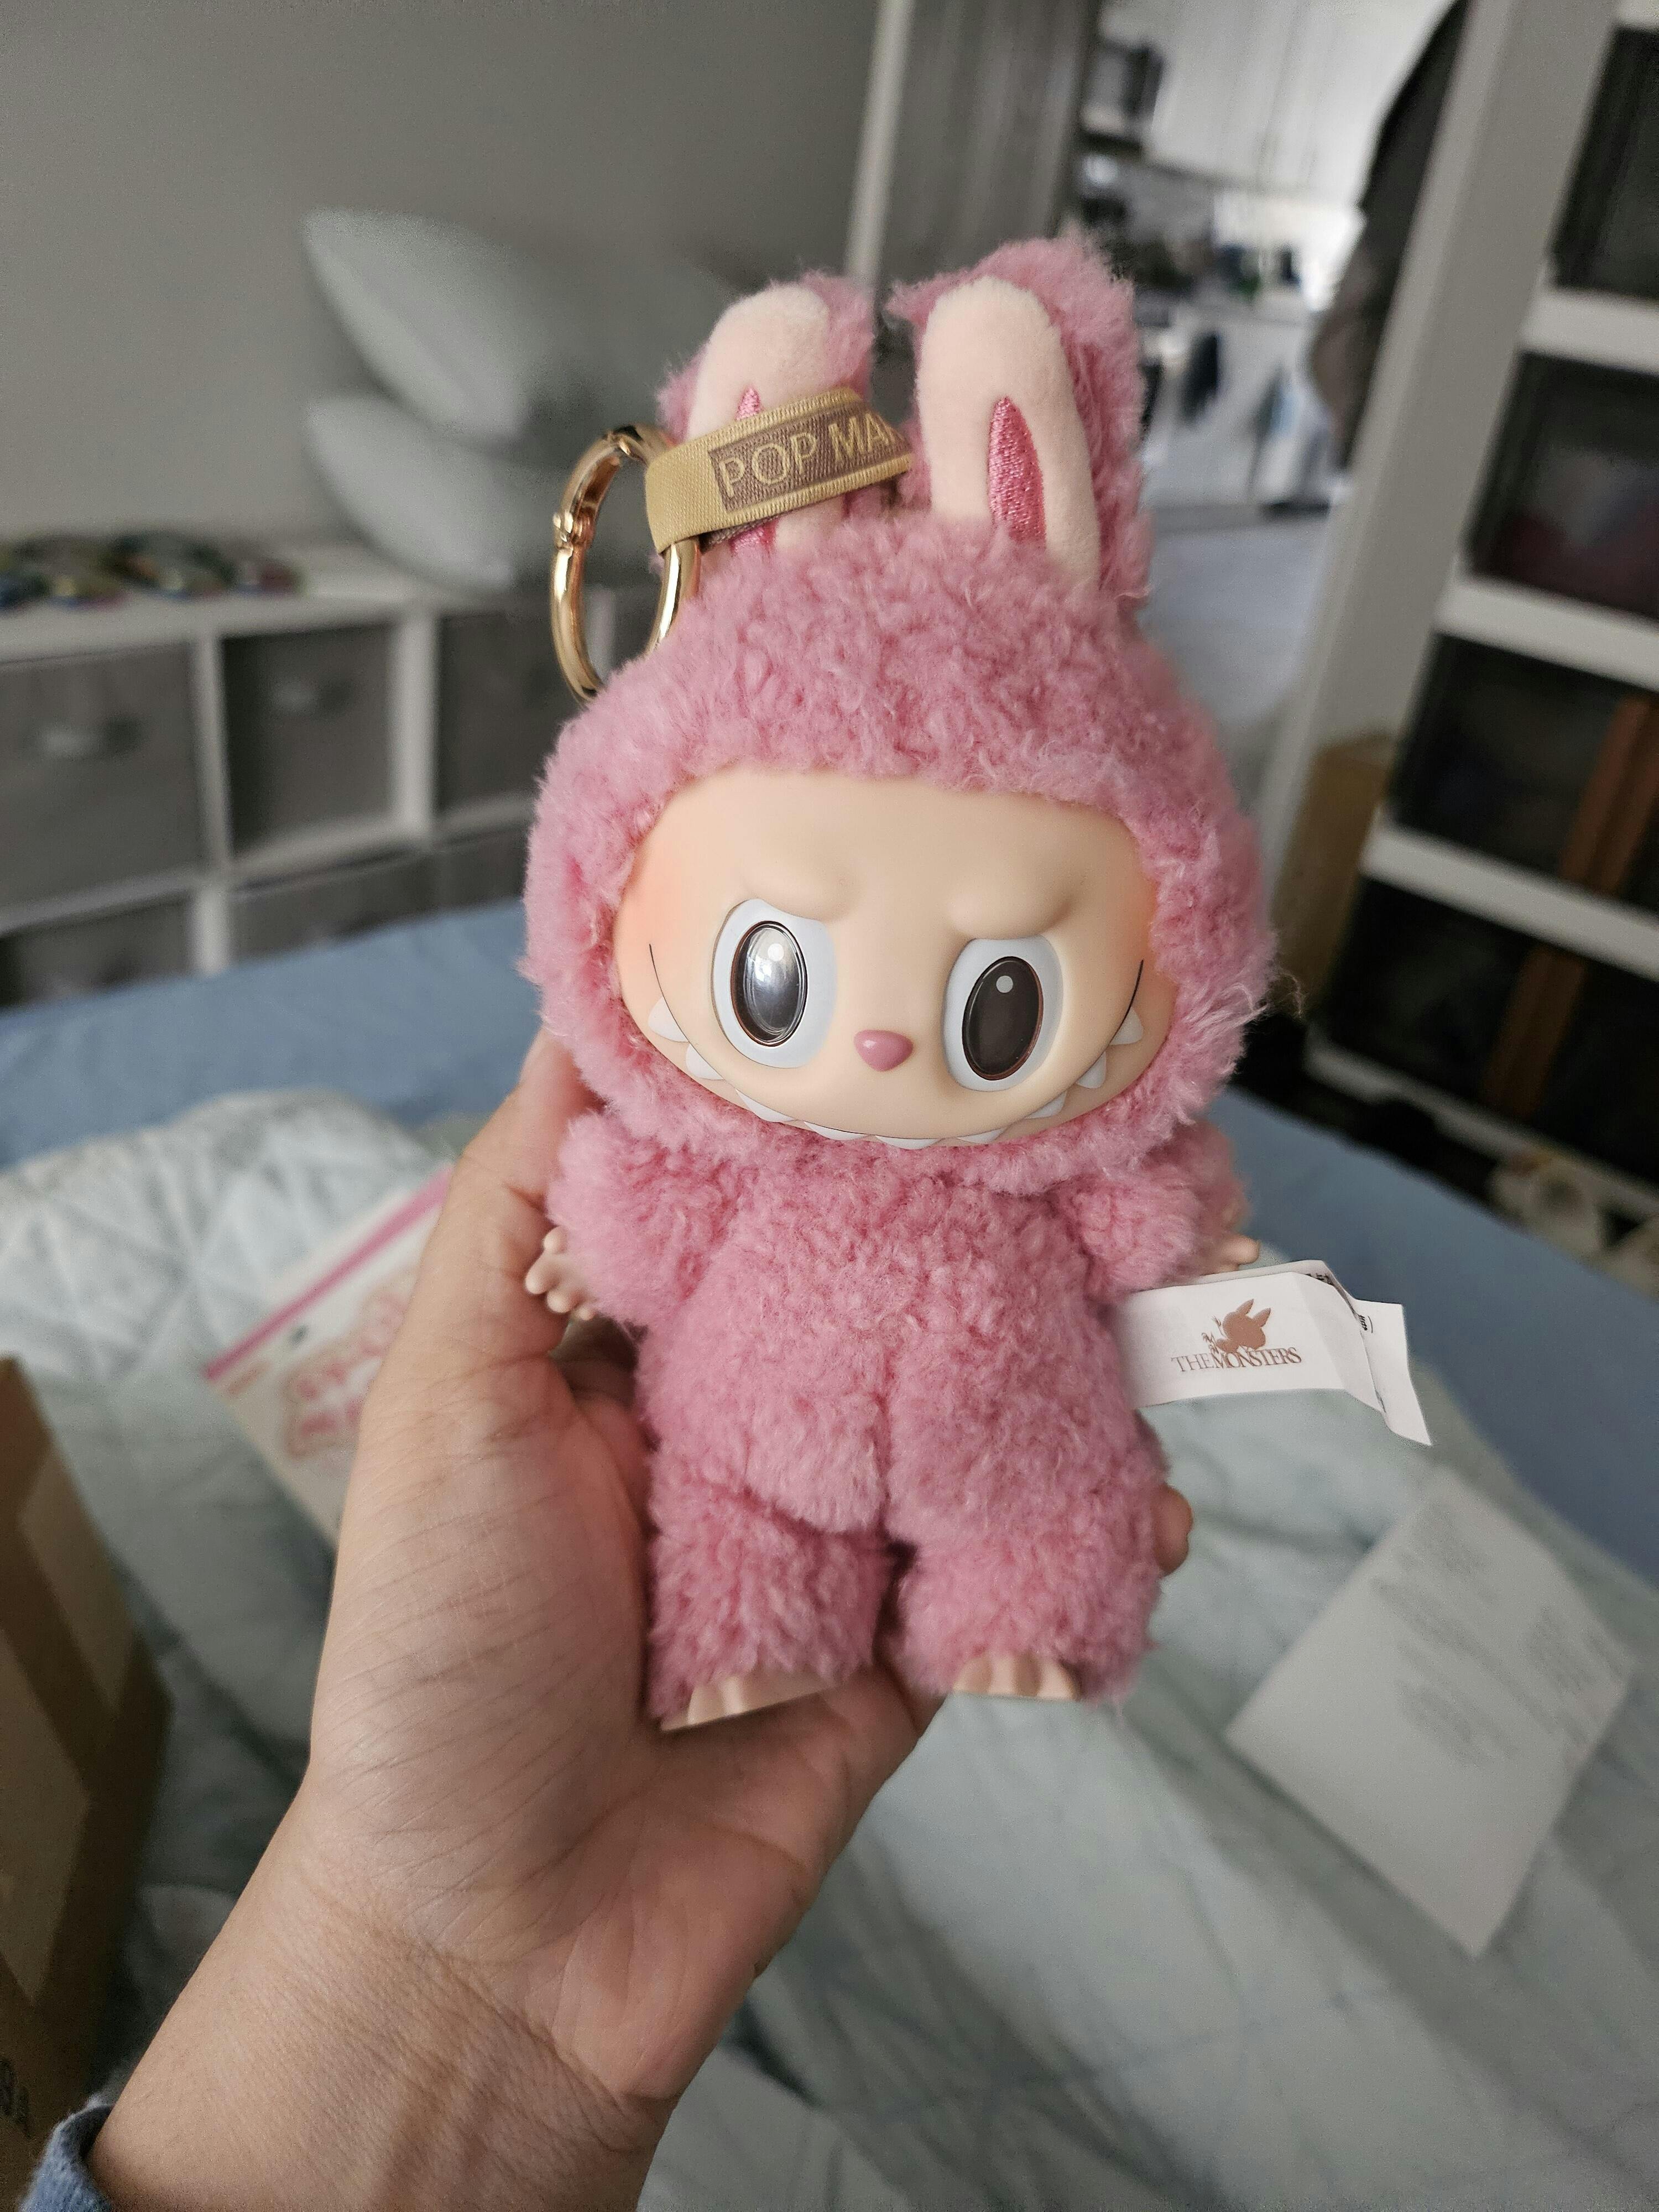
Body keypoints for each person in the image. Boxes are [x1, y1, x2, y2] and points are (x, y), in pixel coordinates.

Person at [25, 1031, 1197, 2211]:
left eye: (999, 997)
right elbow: (650, 1219)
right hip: (752, 1442)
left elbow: (1141, 1217)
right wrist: (589, 1254)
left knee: (1060, 1504)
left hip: (1003, 1437)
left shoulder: (1058, 1167)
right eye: (777, 980)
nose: (885, 1038)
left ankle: (1020, 1610)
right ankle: (752, 1639)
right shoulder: (723, 1154)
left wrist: (1181, 1253)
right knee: (731, 1517)